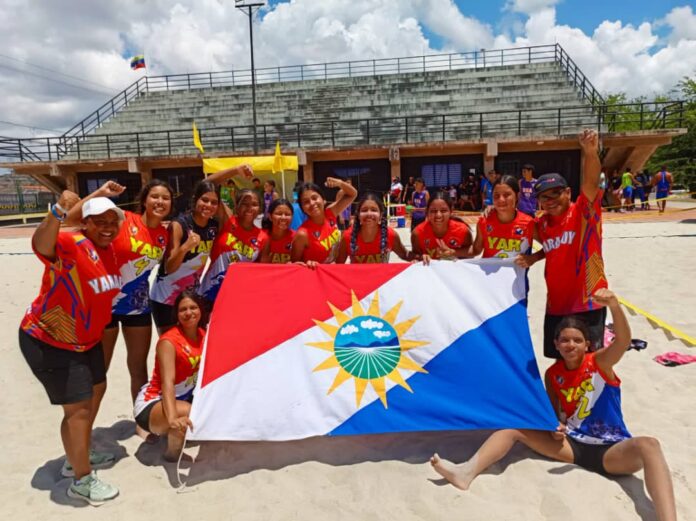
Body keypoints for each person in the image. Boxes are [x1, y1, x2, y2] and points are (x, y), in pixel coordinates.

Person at [430, 288, 677, 521]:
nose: (571, 345)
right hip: (572, 446)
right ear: (556, 344)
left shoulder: (599, 363)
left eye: (577, 340)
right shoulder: (553, 374)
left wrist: (614, 305)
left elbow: (622, 342)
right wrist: (554, 428)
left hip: (611, 451)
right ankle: (465, 473)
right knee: (512, 429)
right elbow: (553, 414)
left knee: (649, 445)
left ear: (587, 344)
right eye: (565, 340)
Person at [19, 192, 125, 505]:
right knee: (77, 410)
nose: (107, 227)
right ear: (85, 224)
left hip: (86, 341)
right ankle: (81, 479)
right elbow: (41, 244)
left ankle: (75, 454)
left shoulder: (109, 252)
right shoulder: (71, 244)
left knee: (96, 389)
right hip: (52, 340)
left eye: (111, 222)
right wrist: (58, 211)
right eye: (99, 222)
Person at [63, 180, 173, 439]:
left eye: (165, 198)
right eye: (154, 196)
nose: (159, 202)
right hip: (106, 303)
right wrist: (100, 193)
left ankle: (141, 420)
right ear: (144, 200)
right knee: (99, 370)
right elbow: (71, 219)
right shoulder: (124, 220)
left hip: (138, 305)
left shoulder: (163, 235)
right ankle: (83, 430)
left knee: (138, 367)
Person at [516, 129, 607, 359]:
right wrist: (533, 258)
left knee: (590, 364)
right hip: (556, 305)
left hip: (589, 302)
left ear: (568, 192)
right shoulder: (542, 224)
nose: (551, 200)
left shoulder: (583, 213)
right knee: (560, 363)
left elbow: (591, 181)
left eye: (556, 193)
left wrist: (590, 152)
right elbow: (549, 248)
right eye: (544, 197)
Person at [133, 290, 204, 462]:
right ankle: (172, 454)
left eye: (193, 307)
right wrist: (172, 418)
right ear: (177, 314)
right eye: (183, 309)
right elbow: (167, 382)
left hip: (182, 396)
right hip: (153, 402)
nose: (189, 313)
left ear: (201, 310)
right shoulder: (169, 341)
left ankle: (174, 427)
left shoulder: (204, 335)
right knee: (187, 413)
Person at [150, 180, 219, 334]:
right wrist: (186, 247)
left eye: (214, 202)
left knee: (193, 346)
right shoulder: (180, 224)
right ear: (195, 200)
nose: (208, 205)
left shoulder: (214, 226)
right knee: (170, 345)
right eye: (205, 200)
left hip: (191, 297)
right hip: (165, 297)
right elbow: (169, 267)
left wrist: (236, 171)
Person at [199, 188, 267, 305]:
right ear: (236, 206)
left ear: (260, 208)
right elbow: (209, 185)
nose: (250, 208)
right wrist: (236, 170)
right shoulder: (227, 221)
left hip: (239, 295)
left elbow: (262, 271)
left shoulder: (263, 237)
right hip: (211, 291)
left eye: (254, 204)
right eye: (245, 204)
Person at [290, 178, 357, 266]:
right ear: (303, 209)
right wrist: (308, 264)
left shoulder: (331, 212)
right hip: (316, 277)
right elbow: (294, 265)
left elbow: (352, 194)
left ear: (323, 200)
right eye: (306, 202)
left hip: (334, 272)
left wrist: (340, 183)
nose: (312, 203)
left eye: (314, 198)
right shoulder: (302, 234)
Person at [336, 193, 411, 264]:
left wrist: (420, 257)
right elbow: (337, 265)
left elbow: (406, 255)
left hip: (384, 278)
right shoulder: (347, 237)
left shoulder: (391, 235)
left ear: (381, 215)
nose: (369, 214)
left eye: (374, 210)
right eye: (364, 210)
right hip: (357, 277)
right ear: (358, 215)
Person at [470, 176, 534, 259]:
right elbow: (476, 250)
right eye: (496, 195)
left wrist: (533, 258)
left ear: (517, 196)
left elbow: (552, 248)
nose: (501, 200)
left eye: (507, 195)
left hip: (515, 271)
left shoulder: (529, 223)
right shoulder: (484, 221)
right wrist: (452, 252)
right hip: (489, 270)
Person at [411, 191, 472, 262]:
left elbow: (471, 254)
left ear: (451, 211)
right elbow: (415, 256)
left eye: (443, 210)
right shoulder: (417, 234)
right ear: (427, 212)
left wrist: (453, 253)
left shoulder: (463, 231)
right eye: (433, 211)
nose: (438, 215)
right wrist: (420, 258)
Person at [260, 198, 296, 264]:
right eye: (279, 214)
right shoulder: (260, 237)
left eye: (287, 214)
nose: (283, 217)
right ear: (270, 216)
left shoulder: (297, 238)